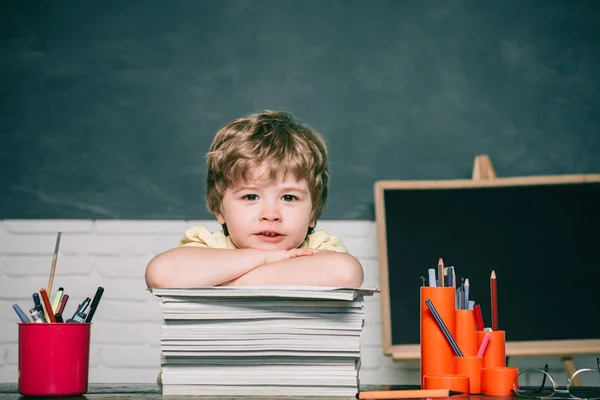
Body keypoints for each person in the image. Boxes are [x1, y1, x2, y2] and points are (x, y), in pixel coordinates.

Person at [145, 110, 364, 288]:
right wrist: (266, 259)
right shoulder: (209, 246)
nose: (271, 215)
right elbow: (162, 275)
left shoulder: (317, 247)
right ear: (218, 208)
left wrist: (227, 282)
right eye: (251, 196)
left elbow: (345, 274)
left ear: (313, 213)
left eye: (289, 197)